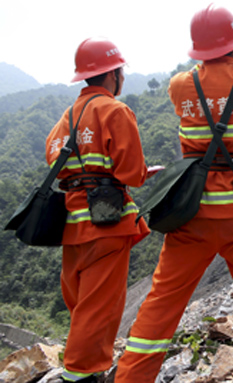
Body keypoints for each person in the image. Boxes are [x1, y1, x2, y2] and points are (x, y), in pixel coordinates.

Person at [114, 4, 233, 383]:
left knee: (162, 302)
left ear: (197, 50)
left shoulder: (179, 86)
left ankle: (131, 377)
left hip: (192, 215)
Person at [45, 37, 151, 382]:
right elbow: (131, 173)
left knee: (79, 299)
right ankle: (80, 373)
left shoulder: (66, 118)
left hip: (71, 223)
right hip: (107, 224)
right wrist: (138, 173)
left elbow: (57, 165)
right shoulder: (115, 111)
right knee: (99, 305)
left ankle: (80, 364)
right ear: (113, 74)